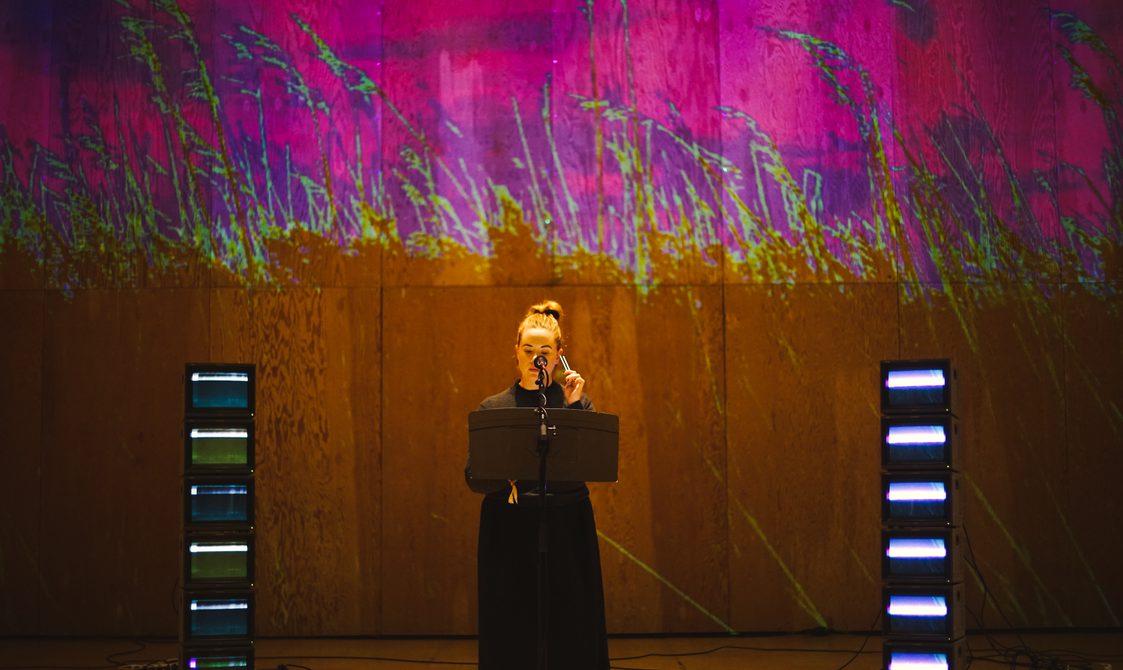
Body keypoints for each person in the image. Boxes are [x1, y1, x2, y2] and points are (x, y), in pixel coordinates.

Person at [465, 300, 610, 670]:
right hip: (509, 528)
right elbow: (474, 476)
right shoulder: (494, 408)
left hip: (567, 524)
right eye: (528, 350)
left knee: (571, 615)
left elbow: (590, 462)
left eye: (544, 350)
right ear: (516, 352)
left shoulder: (577, 403)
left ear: (559, 355)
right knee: (512, 616)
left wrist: (574, 407)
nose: (536, 358)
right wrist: (506, 470)